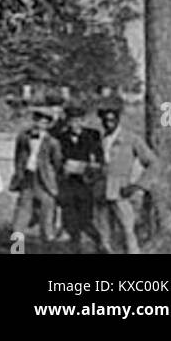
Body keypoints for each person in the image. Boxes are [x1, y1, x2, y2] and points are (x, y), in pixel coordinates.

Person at [92, 105, 156, 255]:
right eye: (105, 120)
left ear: (118, 120)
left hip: (121, 190)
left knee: (127, 228)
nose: (109, 123)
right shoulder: (100, 140)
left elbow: (153, 163)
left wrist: (138, 185)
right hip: (101, 190)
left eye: (112, 120)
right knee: (103, 230)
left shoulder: (131, 139)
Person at [10, 109, 63, 246]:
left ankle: (47, 249)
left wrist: (52, 183)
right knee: (20, 219)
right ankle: (17, 250)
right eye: (37, 121)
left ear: (48, 125)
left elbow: (57, 165)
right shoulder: (23, 137)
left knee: (46, 222)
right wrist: (19, 175)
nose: (39, 125)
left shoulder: (52, 142)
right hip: (27, 181)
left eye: (44, 123)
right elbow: (18, 158)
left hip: (45, 184)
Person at [55, 104, 103, 252]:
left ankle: (99, 242)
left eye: (78, 120)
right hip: (67, 183)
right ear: (67, 121)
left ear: (83, 120)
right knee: (69, 218)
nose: (75, 124)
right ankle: (76, 247)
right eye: (71, 121)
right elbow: (57, 159)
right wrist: (64, 167)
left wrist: (88, 167)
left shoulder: (93, 135)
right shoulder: (61, 137)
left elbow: (99, 159)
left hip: (85, 183)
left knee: (85, 218)